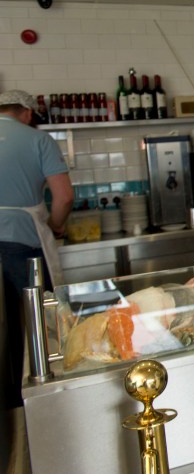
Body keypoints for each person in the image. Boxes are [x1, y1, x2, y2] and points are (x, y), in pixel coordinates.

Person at [0, 90, 73, 408]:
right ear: (27, 113)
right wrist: (56, 225)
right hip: (22, 242)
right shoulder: (38, 140)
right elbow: (64, 197)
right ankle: (38, 398)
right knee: (40, 323)